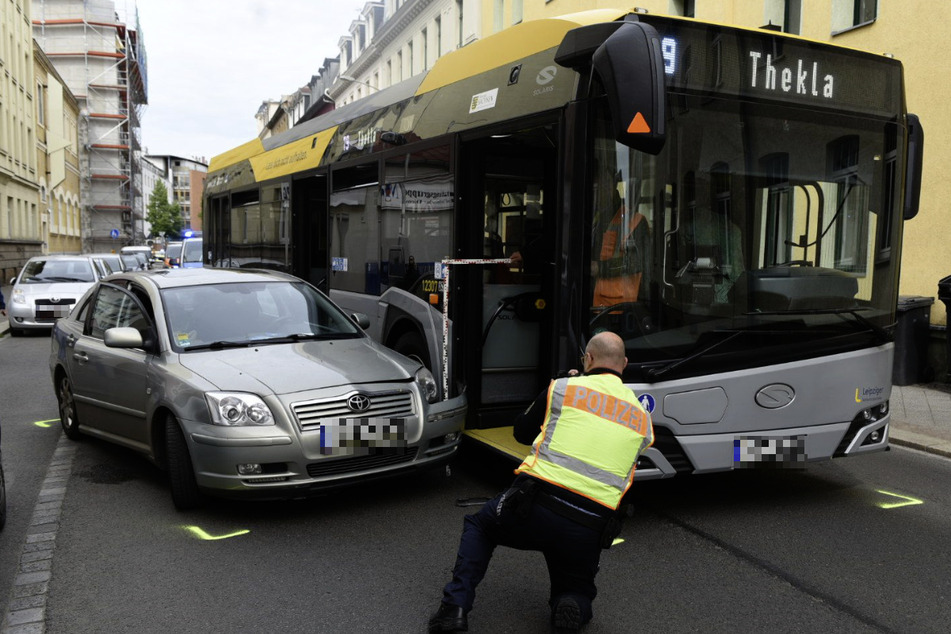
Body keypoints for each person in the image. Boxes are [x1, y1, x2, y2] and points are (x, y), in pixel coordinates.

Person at [429, 331, 653, 633]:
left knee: (480, 526)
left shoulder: (562, 389)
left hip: (534, 505)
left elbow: (521, 432)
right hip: (590, 523)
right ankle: (568, 602)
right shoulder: (642, 419)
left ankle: (453, 609)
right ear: (624, 364)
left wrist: (558, 386)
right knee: (578, 587)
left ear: (587, 359)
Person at [592, 193, 650, 308]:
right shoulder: (598, 219)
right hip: (598, 301)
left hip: (622, 304)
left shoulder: (636, 221)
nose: (596, 194)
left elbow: (635, 262)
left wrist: (599, 267)